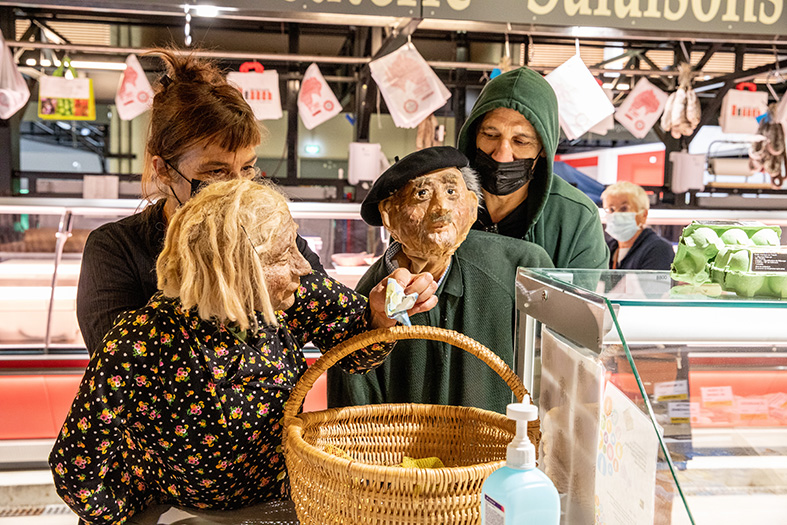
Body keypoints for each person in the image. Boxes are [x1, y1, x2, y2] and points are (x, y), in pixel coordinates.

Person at [50, 179, 438, 524]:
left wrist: (379, 318)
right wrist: (144, 515)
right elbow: (77, 469)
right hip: (176, 510)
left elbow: (356, 353)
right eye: (283, 255)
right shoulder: (141, 342)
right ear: (233, 271)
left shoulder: (294, 294)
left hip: (277, 502)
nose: (303, 267)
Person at [76, 49, 323, 356]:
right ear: (164, 170)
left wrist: (377, 313)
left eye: (246, 169)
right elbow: (119, 363)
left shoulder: (273, 241)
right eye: (216, 171)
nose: (237, 188)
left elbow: (334, 329)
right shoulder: (117, 248)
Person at [327, 147, 553, 414]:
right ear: (389, 214)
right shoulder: (367, 304)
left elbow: (556, 367)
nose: (441, 207)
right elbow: (350, 419)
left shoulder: (519, 266)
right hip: (399, 453)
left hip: (500, 450)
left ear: (470, 207)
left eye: (451, 193)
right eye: (422, 194)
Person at [456, 67, 608, 270]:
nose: (502, 154)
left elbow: (583, 299)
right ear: (474, 134)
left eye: (520, 141)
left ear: (544, 148)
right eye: (491, 135)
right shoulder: (440, 199)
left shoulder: (577, 219)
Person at [601, 181, 674, 270]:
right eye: (611, 209)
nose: (616, 215)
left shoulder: (659, 249)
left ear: (643, 214)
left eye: (624, 208)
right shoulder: (606, 250)